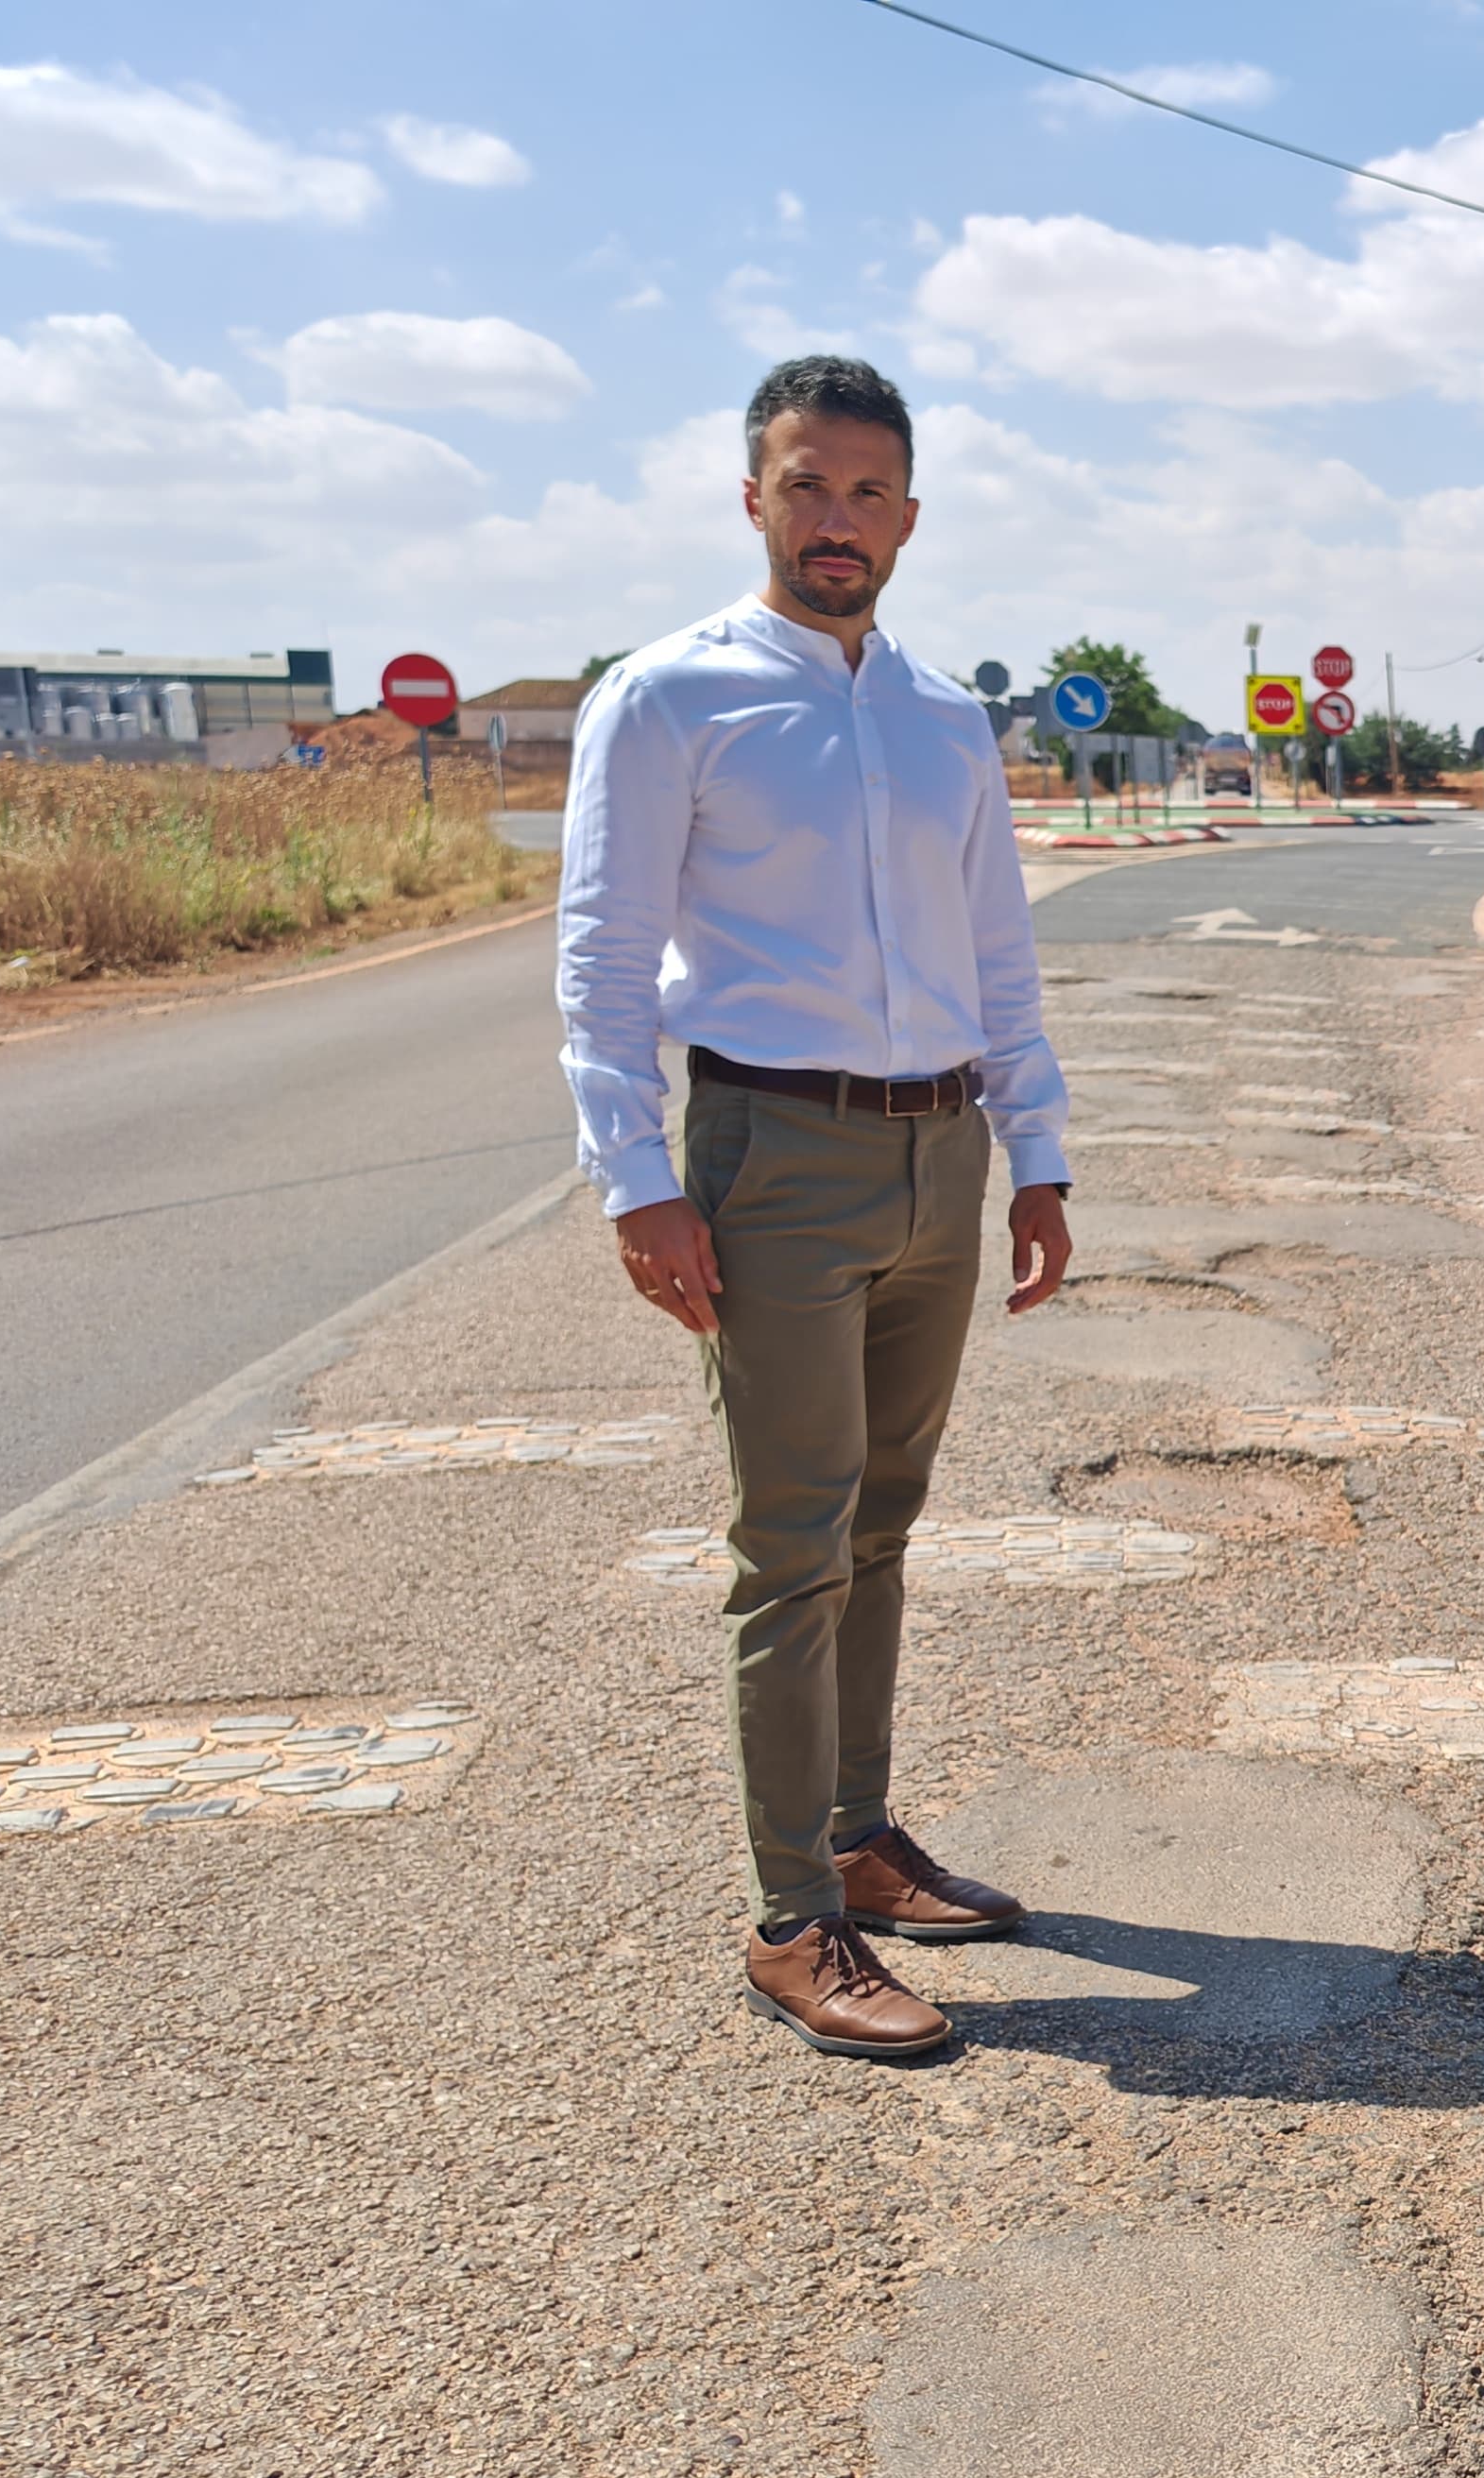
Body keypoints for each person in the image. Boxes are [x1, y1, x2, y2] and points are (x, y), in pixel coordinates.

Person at [555, 353, 1078, 2062]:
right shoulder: (668, 699)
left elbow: (997, 943)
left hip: (943, 1158)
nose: (836, 519)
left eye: (867, 492)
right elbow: (605, 961)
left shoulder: (941, 718)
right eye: (806, 484)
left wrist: (1039, 1146)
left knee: (882, 1529)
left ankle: (860, 1829)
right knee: (791, 1549)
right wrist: (639, 1180)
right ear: (753, 496)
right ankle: (797, 1921)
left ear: (909, 517)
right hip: (770, 1158)